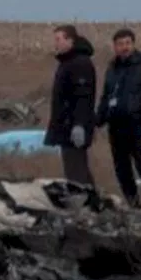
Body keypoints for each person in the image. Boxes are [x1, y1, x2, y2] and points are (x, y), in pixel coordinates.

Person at [96, 29, 141, 208]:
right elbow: (106, 96)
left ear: (133, 44)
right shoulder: (112, 69)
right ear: (115, 47)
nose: (124, 47)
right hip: (116, 125)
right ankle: (133, 202)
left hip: (138, 124)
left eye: (127, 43)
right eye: (120, 44)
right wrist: (97, 120)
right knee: (121, 168)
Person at [43, 25, 97, 187]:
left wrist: (79, 125)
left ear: (70, 40)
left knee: (76, 172)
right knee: (74, 169)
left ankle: (86, 205)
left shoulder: (80, 63)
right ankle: (90, 202)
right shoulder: (68, 62)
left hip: (73, 126)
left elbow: (83, 97)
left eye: (58, 39)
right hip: (65, 125)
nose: (56, 44)